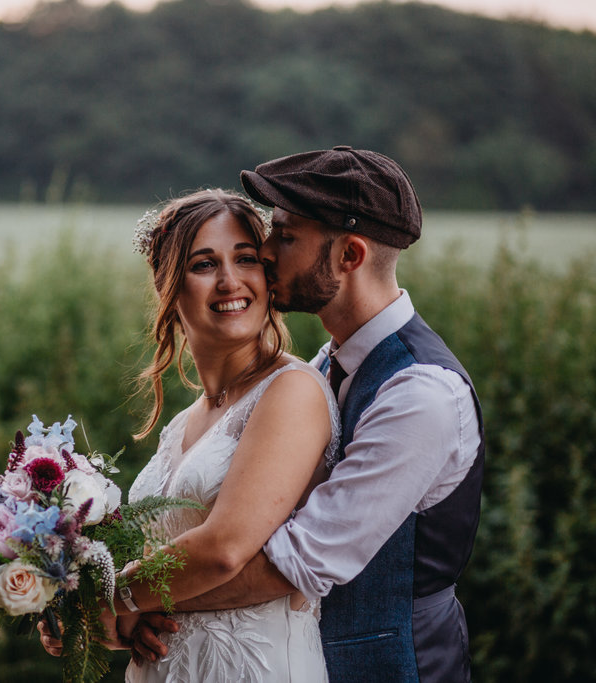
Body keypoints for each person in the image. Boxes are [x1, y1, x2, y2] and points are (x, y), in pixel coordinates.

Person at [126, 147, 485, 683]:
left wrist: (119, 606)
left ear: (350, 255)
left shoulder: (420, 393)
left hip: (396, 668)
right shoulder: (325, 367)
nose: (266, 251)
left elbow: (292, 563)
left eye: (287, 235)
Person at [39, 188, 341, 681]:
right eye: (204, 265)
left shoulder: (292, 392)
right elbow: (157, 569)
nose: (230, 281)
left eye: (246, 259)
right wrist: (76, 609)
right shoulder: (182, 425)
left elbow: (224, 548)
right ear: (169, 288)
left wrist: (111, 598)